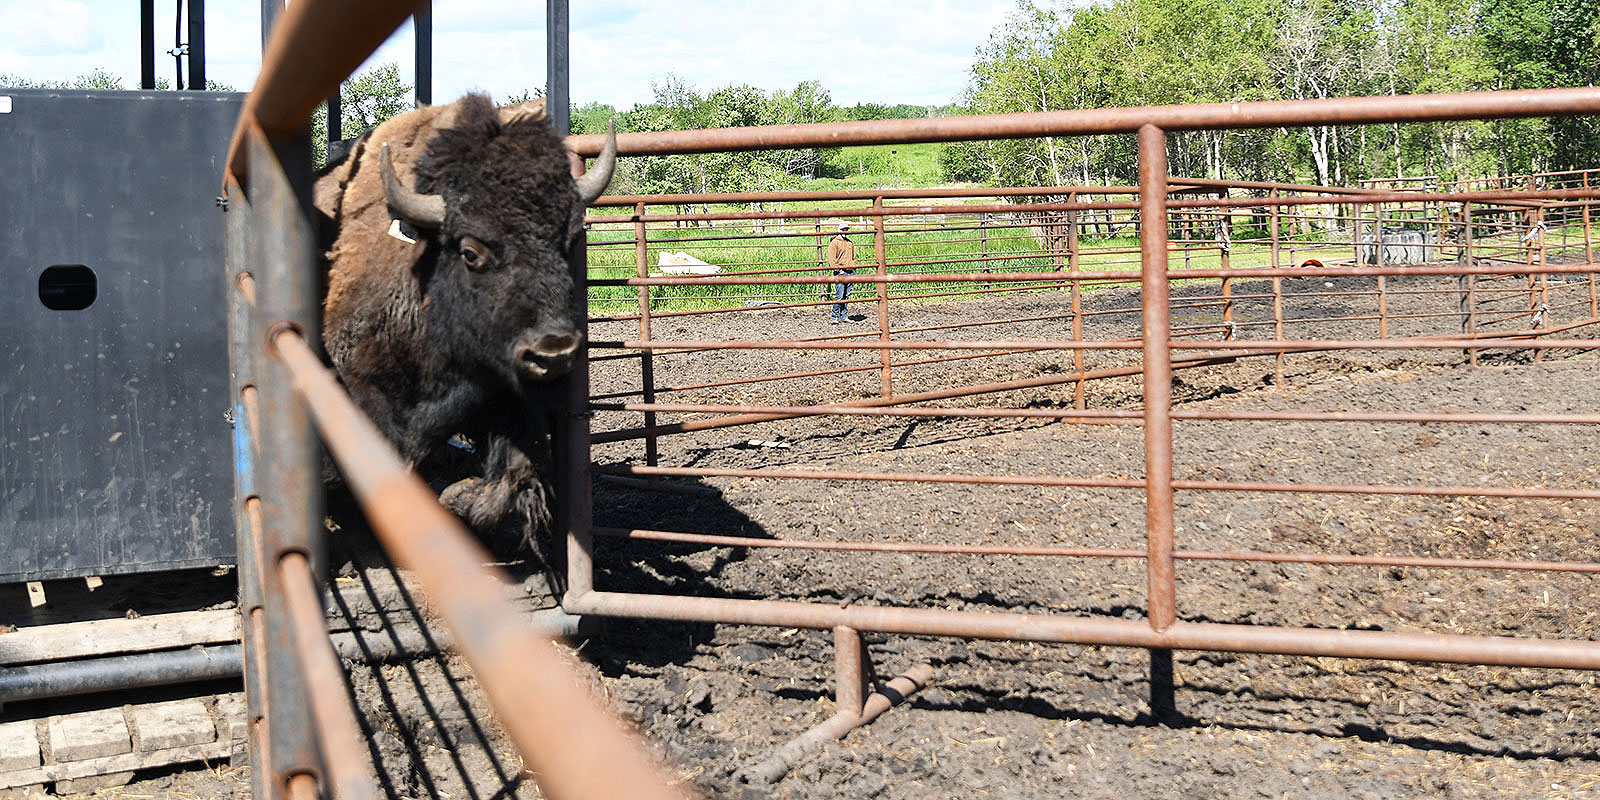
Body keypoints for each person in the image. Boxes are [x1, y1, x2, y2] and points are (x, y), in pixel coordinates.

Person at [825, 223, 859, 323]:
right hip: (841, 272)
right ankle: (835, 317)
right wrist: (839, 270)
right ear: (839, 230)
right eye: (843, 229)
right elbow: (832, 259)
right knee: (839, 295)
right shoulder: (835, 243)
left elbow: (854, 257)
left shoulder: (849, 243)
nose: (845, 231)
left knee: (846, 296)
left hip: (849, 272)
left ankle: (844, 316)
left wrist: (853, 267)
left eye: (846, 229)